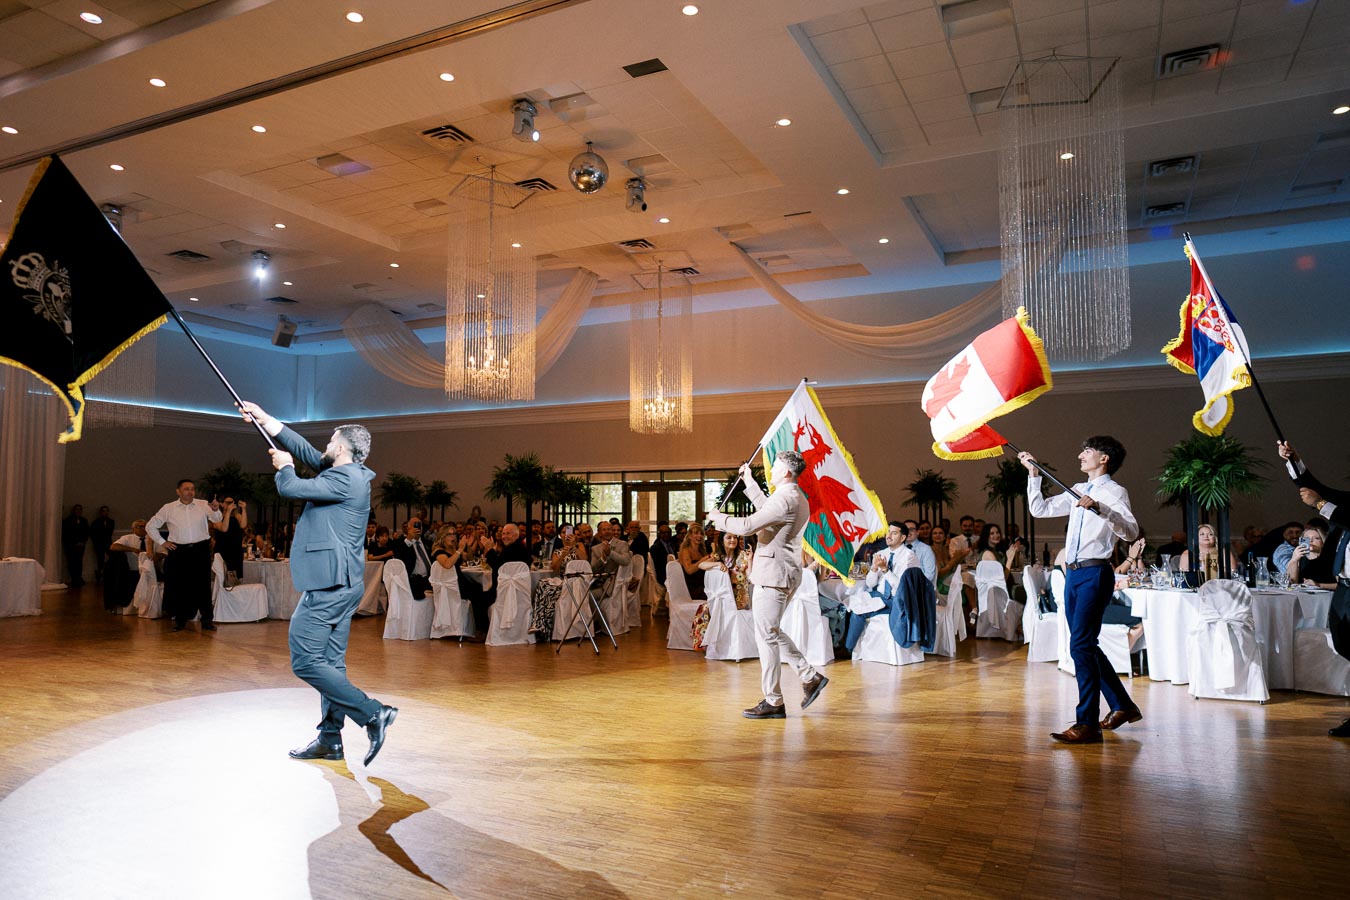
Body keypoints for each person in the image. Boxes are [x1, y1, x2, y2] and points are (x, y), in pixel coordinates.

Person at [239, 400, 396, 766]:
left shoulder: (345, 478)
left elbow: (292, 488)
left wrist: (285, 468)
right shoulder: (346, 472)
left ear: (341, 447)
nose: (325, 444)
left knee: (306, 661)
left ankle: (374, 713)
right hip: (342, 582)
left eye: (331, 440)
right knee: (331, 664)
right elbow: (310, 453)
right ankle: (330, 740)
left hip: (329, 586)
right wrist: (266, 420)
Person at [1021, 436, 1140, 745]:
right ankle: (1123, 705)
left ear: (1104, 459)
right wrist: (1034, 478)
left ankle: (1087, 722)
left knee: (1081, 647)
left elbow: (1131, 531)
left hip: (1095, 572)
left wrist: (1101, 509)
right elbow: (1040, 509)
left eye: (1087, 451)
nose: (1080, 455)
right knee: (1084, 645)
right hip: (1073, 575)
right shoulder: (1077, 488)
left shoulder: (1115, 492)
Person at [708, 450, 827, 719]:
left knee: (768, 636)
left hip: (773, 576)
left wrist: (719, 519)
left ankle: (775, 699)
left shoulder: (785, 499)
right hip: (783, 573)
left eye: (775, 467)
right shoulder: (794, 497)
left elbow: (749, 524)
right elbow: (766, 510)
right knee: (770, 632)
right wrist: (749, 481)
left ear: (786, 471)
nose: (771, 470)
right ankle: (808, 678)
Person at [1278, 440, 1350, 738]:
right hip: (1345, 588)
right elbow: (1319, 488)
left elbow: (1336, 509)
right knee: (1345, 644)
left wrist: (1319, 505)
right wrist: (1294, 461)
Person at [147, 480, 222, 632]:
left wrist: (215, 510)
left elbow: (217, 519)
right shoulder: (168, 508)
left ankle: (207, 620)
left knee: (203, 585)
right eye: (186, 489)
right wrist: (163, 542)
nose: (190, 492)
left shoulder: (203, 504)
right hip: (178, 551)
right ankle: (180, 621)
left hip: (200, 549)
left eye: (192, 489)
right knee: (179, 586)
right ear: (178, 491)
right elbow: (150, 526)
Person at [104, 518, 149, 610]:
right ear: (133, 529)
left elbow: (163, 552)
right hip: (133, 570)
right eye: (139, 527)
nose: (142, 529)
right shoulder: (127, 538)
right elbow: (113, 547)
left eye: (144, 527)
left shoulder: (152, 538)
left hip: (149, 571)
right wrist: (133, 549)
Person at [391, 517, 434, 598]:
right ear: (408, 528)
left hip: (430, 579)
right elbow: (399, 557)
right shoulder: (401, 543)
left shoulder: (428, 543)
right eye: (415, 525)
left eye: (419, 525)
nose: (418, 528)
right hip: (414, 580)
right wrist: (409, 539)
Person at [1287, 519, 1337, 588]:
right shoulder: (1299, 557)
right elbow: (1292, 583)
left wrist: (1319, 585)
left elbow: (1343, 586)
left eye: (1316, 538)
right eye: (1307, 538)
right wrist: (1294, 560)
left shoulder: (1332, 558)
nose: (1311, 541)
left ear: (1323, 542)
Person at [214, 497, 248, 577]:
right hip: (222, 552)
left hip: (236, 552)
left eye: (232, 502)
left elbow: (243, 525)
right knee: (223, 578)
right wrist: (228, 512)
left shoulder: (237, 516)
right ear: (222, 504)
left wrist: (243, 509)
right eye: (228, 503)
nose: (230, 505)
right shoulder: (217, 517)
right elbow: (224, 528)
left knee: (236, 579)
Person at [678, 523, 710, 601]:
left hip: (703, 584)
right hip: (693, 588)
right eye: (696, 533)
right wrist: (704, 559)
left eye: (701, 534)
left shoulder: (702, 551)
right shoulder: (686, 551)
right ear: (689, 536)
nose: (699, 536)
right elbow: (689, 570)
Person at [61, 504, 89, 587]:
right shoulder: (68, 520)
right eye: (77, 509)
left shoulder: (84, 520)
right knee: (72, 561)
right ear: (73, 510)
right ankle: (74, 578)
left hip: (81, 545)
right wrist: (76, 542)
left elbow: (86, 532)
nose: (78, 511)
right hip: (71, 545)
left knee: (79, 561)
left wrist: (83, 541)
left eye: (80, 509)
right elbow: (67, 533)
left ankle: (79, 577)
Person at [902, 519, 936, 585]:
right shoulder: (898, 548)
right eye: (905, 530)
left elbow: (930, 575)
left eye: (911, 529)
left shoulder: (925, 549)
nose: (908, 532)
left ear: (917, 532)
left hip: (919, 587)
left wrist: (913, 585)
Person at [89, 506, 114, 584]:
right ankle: (100, 576)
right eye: (103, 511)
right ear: (101, 512)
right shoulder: (96, 522)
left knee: (112, 558)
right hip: (99, 544)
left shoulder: (111, 521)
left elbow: (110, 533)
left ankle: (109, 573)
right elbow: (93, 534)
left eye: (106, 511)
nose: (105, 512)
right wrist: (97, 542)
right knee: (100, 560)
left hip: (108, 543)